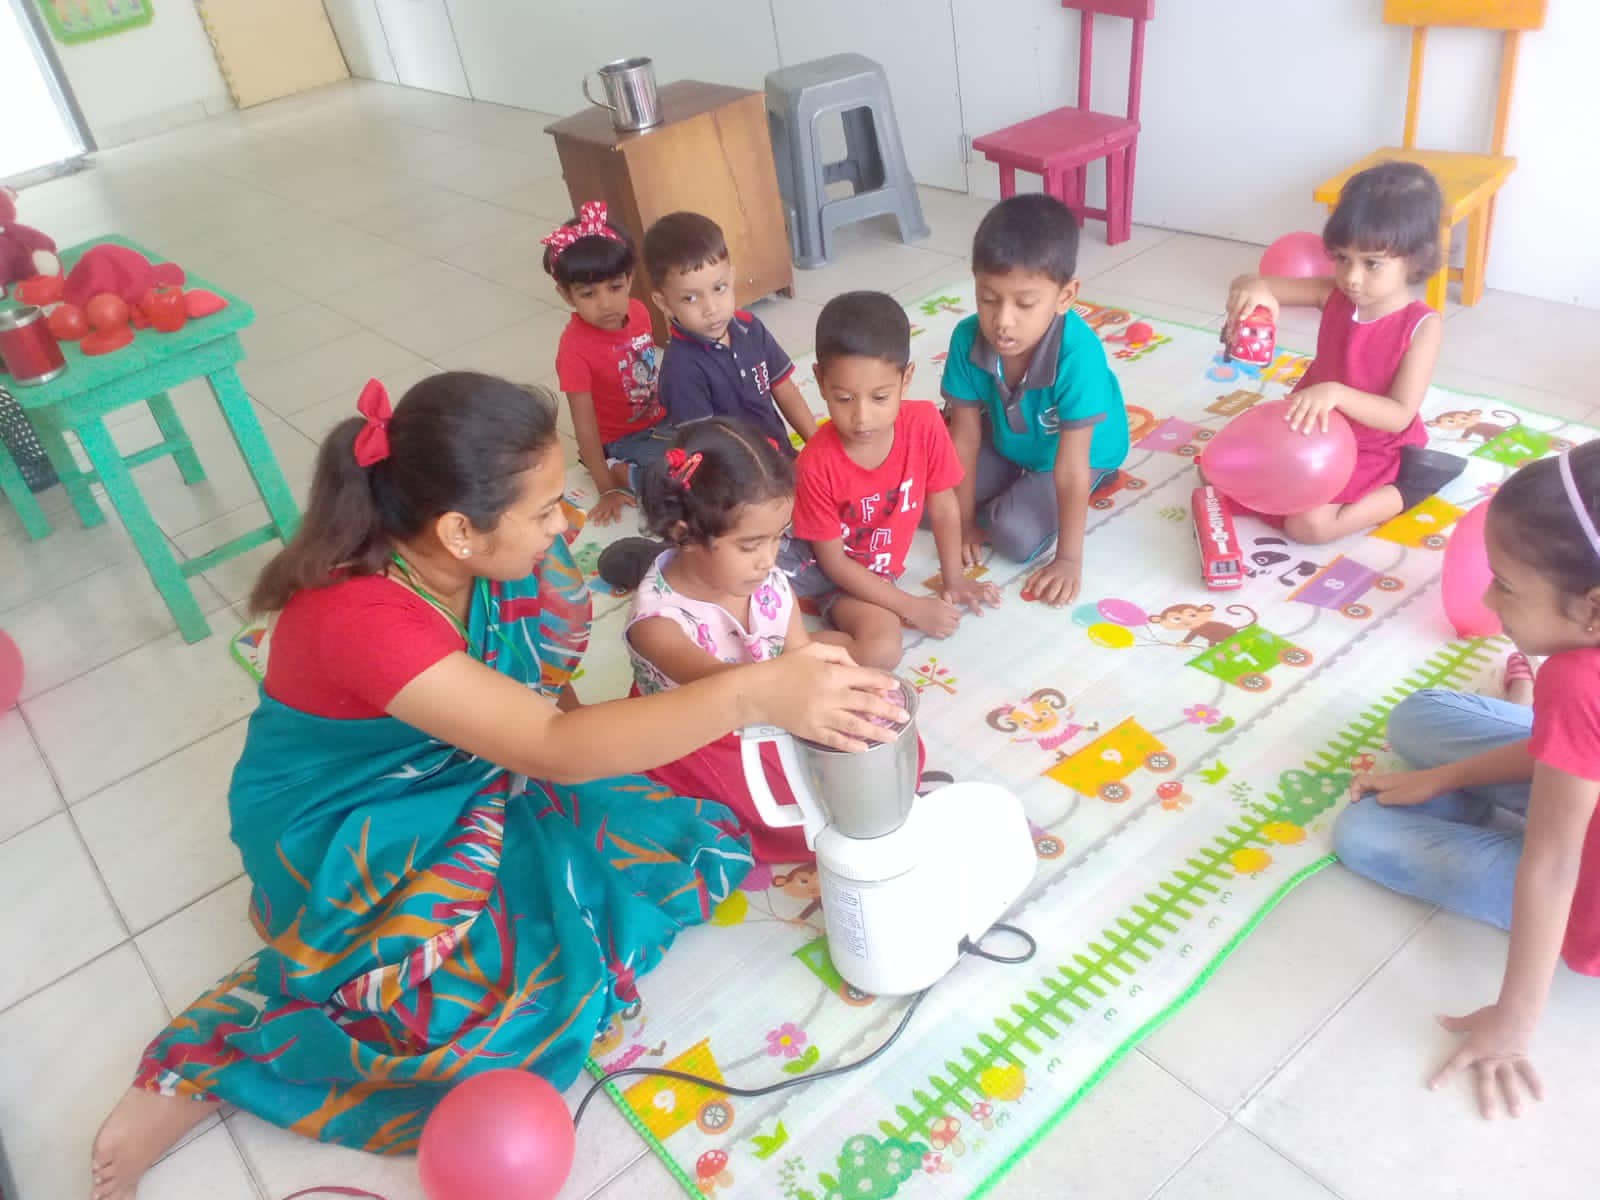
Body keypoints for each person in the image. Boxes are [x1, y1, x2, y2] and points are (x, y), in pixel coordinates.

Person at [89, 372, 905, 1200]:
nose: (566, 523)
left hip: (475, 772)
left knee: (676, 842)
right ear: (459, 530)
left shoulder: (486, 565)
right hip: (351, 833)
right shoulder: (360, 618)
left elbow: (548, 705)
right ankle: (213, 1058)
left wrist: (583, 774)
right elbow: (551, 744)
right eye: (546, 510)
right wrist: (751, 693)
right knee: (483, 1022)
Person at [1334, 441, 1600, 1121]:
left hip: (1588, 898)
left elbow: (1555, 863)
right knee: (1420, 714)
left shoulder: (1580, 680)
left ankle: (1483, 808)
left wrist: (1514, 1021)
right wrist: (1443, 778)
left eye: (1505, 585)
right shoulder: (1582, 669)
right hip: (1579, 787)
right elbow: (1576, 752)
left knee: (1362, 833)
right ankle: (1472, 787)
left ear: (1594, 609)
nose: (1486, 598)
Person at [1223, 162, 1464, 544]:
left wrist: (1336, 393)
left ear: (1415, 260)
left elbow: (1399, 415)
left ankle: (1412, 486)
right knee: (1222, 476)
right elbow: (1253, 281)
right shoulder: (1332, 294)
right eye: (1342, 258)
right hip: (1311, 424)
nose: (1352, 277)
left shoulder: (1422, 325)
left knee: (1308, 526)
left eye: (1372, 264)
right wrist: (1251, 293)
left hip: (1374, 444)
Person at [626, 418, 827, 861]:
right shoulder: (658, 625)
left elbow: (798, 652)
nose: (769, 560)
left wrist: (824, 688)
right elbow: (732, 692)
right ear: (684, 534)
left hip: (767, 701)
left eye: (778, 538)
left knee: (878, 730)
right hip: (700, 733)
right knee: (799, 816)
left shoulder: (766, 578)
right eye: (751, 545)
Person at [791, 291, 1001, 669]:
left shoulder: (924, 423)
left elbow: (943, 505)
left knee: (881, 648)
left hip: (877, 575)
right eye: (844, 399)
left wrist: (953, 579)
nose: (862, 418)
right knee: (883, 651)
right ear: (820, 381)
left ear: (906, 380)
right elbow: (834, 565)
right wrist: (912, 607)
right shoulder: (815, 464)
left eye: (879, 397)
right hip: (832, 580)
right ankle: (771, 654)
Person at [940, 194, 1131, 608]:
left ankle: (1088, 479)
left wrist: (1069, 559)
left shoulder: (1079, 354)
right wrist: (964, 522)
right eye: (988, 298)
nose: (1002, 321)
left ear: (1066, 296)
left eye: (1025, 303)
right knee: (932, 504)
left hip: (1081, 455)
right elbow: (964, 439)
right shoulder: (966, 338)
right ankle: (1008, 485)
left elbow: (1071, 465)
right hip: (1011, 442)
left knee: (1012, 534)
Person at [644, 210, 817, 453]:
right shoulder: (681, 369)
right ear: (663, 303)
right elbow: (707, 448)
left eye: (719, 288)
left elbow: (784, 389)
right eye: (690, 298)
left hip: (778, 455)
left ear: (732, 278)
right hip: (734, 471)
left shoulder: (750, 327)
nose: (711, 308)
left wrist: (817, 446)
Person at [545, 200, 672, 528]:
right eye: (588, 294)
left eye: (615, 288)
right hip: (621, 440)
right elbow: (585, 426)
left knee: (711, 447)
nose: (606, 304)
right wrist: (607, 489)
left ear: (629, 279)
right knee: (673, 483)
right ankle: (619, 472)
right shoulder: (574, 349)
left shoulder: (639, 311)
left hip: (661, 417)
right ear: (566, 295)